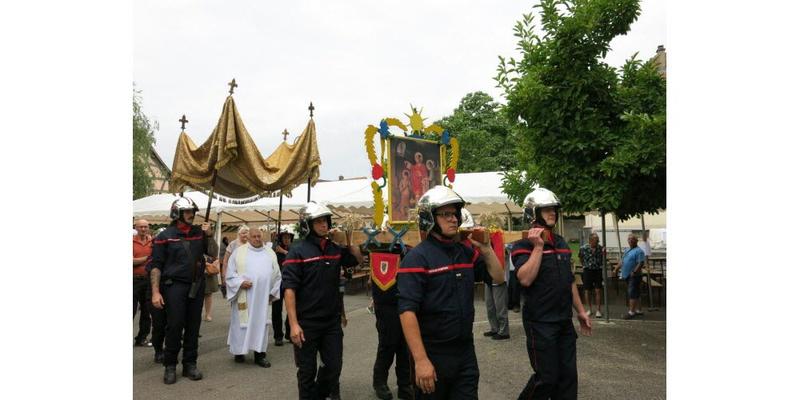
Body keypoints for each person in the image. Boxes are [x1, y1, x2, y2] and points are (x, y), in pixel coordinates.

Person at [397, 185, 505, 399]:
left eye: (455, 214)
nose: (454, 219)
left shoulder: (465, 253)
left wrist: (486, 249)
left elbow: (498, 277)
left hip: (465, 352)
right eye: (445, 214)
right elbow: (406, 311)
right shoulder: (416, 258)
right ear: (429, 218)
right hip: (431, 354)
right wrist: (420, 360)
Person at [511, 187, 591, 400]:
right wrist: (538, 247)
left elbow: (569, 281)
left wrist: (581, 311)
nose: (552, 213)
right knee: (547, 378)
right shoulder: (522, 245)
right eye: (545, 209)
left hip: (564, 321)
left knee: (568, 377)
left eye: (553, 209)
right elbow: (525, 278)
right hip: (540, 323)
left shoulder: (563, 244)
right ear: (533, 214)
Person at [282, 202, 363, 400]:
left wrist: (348, 240)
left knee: (334, 367)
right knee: (307, 372)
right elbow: (289, 289)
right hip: (306, 322)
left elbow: (357, 260)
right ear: (307, 224)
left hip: (331, 322)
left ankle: (319, 395)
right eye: (318, 221)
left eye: (325, 221)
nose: (324, 225)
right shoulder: (297, 250)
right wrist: (293, 324)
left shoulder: (334, 249)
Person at [150, 197, 218, 385]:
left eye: (192, 211)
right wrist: (156, 292)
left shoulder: (199, 232)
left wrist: (209, 235)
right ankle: (170, 365)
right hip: (174, 286)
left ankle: (190, 364)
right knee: (174, 325)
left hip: (196, 285)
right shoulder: (164, 236)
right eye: (187, 211)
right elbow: (156, 266)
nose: (191, 214)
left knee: (193, 326)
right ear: (176, 213)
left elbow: (213, 253)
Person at [225, 226, 282, 367]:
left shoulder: (270, 253)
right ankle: (239, 352)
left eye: (259, 236)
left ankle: (260, 354)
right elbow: (230, 274)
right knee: (241, 325)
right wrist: (240, 283)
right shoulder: (238, 253)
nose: (257, 239)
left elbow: (278, 275)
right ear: (248, 238)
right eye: (254, 236)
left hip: (263, 298)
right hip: (245, 295)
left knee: (261, 324)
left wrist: (272, 293)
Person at [371, 244, 413, 400]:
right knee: (388, 344)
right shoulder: (379, 246)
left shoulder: (409, 245)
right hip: (386, 302)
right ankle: (379, 382)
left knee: (405, 345)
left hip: (406, 299)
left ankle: (405, 384)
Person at [461, 207, 510, 341]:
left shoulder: (497, 236)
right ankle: (494, 328)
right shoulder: (484, 238)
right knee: (490, 305)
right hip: (488, 277)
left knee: (500, 307)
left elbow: (499, 256)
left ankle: (504, 330)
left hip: (497, 277)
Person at [614, 233, 646, 319]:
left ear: (636, 241)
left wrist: (634, 272)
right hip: (627, 275)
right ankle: (638, 310)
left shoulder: (639, 251)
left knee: (632, 293)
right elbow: (622, 261)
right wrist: (616, 268)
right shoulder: (627, 250)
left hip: (634, 276)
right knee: (636, 292)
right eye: (629, 239)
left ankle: (631, 312)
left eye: (632, 239)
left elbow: (641, 262)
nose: (630, 240)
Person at [272, 229, 294, 346]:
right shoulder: (275, 250)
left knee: (291, 309)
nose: (287, 240)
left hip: (289, 283)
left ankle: (290, 332)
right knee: (276, 310)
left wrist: (284, 252)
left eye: (288, 238)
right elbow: (272, 247)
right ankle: (278, 336)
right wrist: (276, 241)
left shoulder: (292, 250)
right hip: (277, 284)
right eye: (284, 238)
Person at [133, 219, 153, 347]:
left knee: (147, 311)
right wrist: (147, 259)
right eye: (141, 227)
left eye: (145, 227)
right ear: (136, 227)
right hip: (133, 279)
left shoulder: (153, 242)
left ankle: (142, 338)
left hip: (148, 280)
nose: (143, 229)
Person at [579, 233, 605, 318]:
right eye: (596, 240)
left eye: (598, 240)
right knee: (587, 290)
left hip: (597, 270)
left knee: (598, 290)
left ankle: (598, 310)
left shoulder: (600, 248)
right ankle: (589, 309)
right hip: (587, 270)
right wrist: (584, 265)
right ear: (590, 240)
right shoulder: (583, 248)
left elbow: (603, 259)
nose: (597, 241)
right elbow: (580, 257)